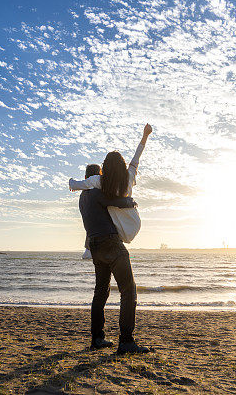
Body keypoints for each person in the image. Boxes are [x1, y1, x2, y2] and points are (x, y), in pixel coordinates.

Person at [71, 124, 154, 355]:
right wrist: (129, 202)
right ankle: (126, 341)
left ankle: (97, 339)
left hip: (95, 247)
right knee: (129, 291)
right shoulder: (101, 191)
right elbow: (116, 199)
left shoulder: (83, 198)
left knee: (101, 292)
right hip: (111, 244)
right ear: (96, 175)